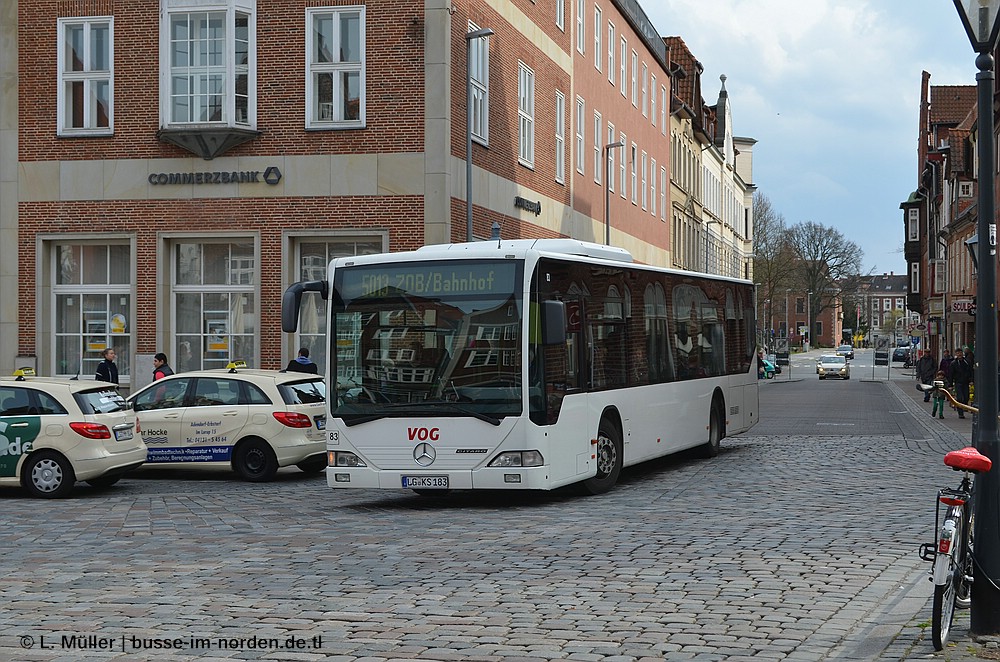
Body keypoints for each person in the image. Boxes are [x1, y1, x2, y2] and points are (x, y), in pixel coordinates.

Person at [951, 348, 974, 419]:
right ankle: (960, 413)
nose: (959, 354)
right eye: (957, 353)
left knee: (966, 397)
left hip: (966, 382)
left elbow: (971, 371)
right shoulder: (953, 363)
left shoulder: (967, 362)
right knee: (960, 398)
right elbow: (951, 374)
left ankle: (964, 406)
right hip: (958, 382)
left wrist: (971, 380)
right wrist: (950, 384)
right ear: (956, 354)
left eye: (960, 353)